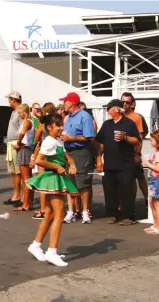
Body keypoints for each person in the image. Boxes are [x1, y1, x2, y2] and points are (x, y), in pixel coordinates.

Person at [26, 113, 78, 267]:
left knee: (49, 213)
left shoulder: (58, 140)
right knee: (59, 214)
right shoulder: (49, 141)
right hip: (52, 178)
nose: (62, 128)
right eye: (58, 126)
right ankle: (52, 251)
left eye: (62, 125)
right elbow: (39, 160)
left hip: (57, 177)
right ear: (49, 127)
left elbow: (67, 157)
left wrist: (72, 164)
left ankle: (36, 245)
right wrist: (57, 166)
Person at [95, 99, 141, 225]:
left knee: (126, 189)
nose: (107, 110)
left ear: (116, 109)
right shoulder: (106, 124)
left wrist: (125, 137)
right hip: (109, 163)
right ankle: (112, 213)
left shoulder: (129, 123)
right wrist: (99, 158)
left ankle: (128, 216)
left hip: (125, 162)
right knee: (109, 189)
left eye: (109, 108)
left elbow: (137, 140)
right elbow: (100, 142)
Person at [59, 92, 95, 225]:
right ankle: (71, 211)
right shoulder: (68, 117)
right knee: (70, 182)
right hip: (69, 151)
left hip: (81, 151)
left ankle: (85, 211)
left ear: (72, 103)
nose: (64, 104)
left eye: (65, 101)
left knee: (83, 183)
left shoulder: (84, 117)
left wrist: (72, 138)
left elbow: (90, 137)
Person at [121, 92, 149, 203]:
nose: (124, 105)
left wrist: (137, 154)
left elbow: (140, 136)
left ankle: (147, 199)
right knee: (127, 180)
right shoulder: (119, 116)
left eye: (127, 102)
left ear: (132, 103)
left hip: (133, 154)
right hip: (121, 154)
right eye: (123, 102)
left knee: (139, 178)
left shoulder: (137, 117)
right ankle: (127, 203)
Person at [31, 103, 57, 220]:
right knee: (54, 182)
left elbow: (36, 139)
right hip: (55, 153)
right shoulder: (57, 122)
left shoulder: (43, 123)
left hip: (44, 152)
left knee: (43, 183)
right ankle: (52, 208)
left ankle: (43, 209)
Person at [142, 130, 159, 234]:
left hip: (157, 181)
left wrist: (148, 164)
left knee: (157, 204)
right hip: (154, 180)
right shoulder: (157, 153)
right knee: (152, 203)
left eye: (152, 140)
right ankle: (155, 224)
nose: (150, 142)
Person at [13, 103, 34, 211]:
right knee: (27, 178)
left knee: (25, 179)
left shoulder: (27, 122)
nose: (19, 115)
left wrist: (18, 143)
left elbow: (22, 133)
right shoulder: (28, 121)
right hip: (26, 148)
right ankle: (28, 202)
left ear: (25, 113)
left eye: (20, 113)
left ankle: (25, 204)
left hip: (25, 149)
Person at [3, 91, 23, 207]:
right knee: (13, 172)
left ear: (13, 100)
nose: (8, 102)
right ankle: (16, 195)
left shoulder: (20, 112)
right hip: (11, 143)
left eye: (9, 100)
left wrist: (19, 143)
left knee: (18, 171)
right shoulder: (14, 112)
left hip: (16, 144)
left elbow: (23, 129)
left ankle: (19, 196)